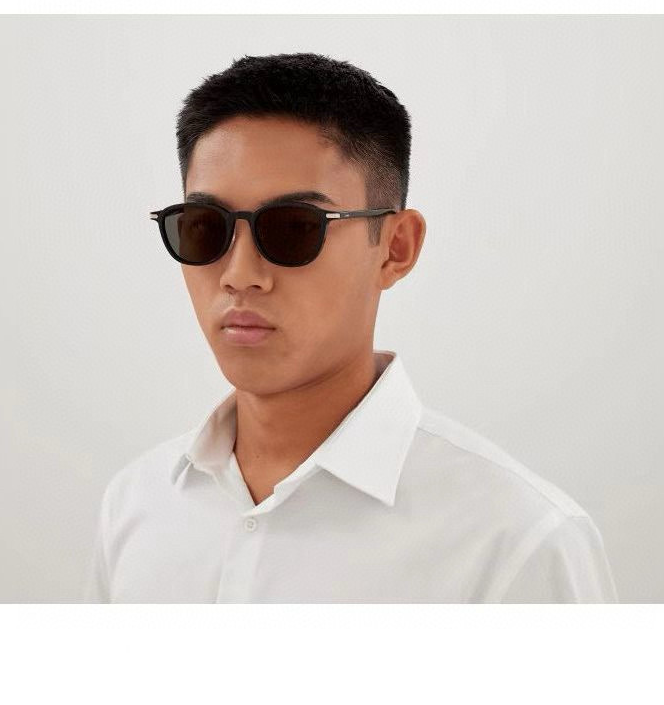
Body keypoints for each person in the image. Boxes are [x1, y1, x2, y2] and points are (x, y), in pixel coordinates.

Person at [84, 52, 618, 603]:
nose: (239, 275)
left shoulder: (516, 542)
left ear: (396, 247)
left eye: (294, 228)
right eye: (204, 227)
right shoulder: (136, 506)